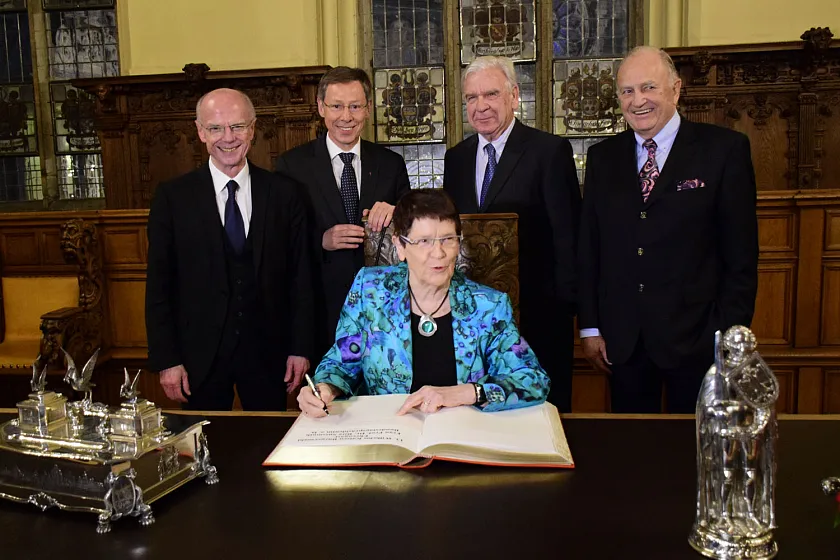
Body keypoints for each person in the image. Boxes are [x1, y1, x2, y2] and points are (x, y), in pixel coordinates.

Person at [578, 46, 758, 413]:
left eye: (649, 88)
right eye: (627, 91)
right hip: (623, 341)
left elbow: (741, 255)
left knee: (692, 454)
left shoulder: (723, 150)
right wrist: (591, 328)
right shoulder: (602, 158)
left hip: (698, 337)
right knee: (632, 455)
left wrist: (727, 334)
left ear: (675, 89)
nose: (637, 100)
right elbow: (590, 248)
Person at [298, 189, 549, 417]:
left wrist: (466, 392)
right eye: (424, 241)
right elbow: (341, 363)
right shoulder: (370, 291)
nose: (439, 253)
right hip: (389, 433)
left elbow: (534, 381)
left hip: (462, 436)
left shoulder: (488, 306)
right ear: (400, 245)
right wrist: (324, 389)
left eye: (448, 239)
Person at [146, 88, 313, 410]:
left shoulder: (285, 194)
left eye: (237, 127)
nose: (228, 138)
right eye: (216, 128)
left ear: (252, 129)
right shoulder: (173, 198)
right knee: (204, 447)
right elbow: (159, 286)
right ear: (200, 131)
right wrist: (167, 359)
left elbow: (301, 278)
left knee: (267, 447)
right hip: (198, 357)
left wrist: (301, 347)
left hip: (269, 354)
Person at [443, 56, 581, 412]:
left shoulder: (549, 151)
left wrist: (567, 311)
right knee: (481, 413)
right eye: (471, 98)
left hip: (539, 315)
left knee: (541, 411)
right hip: (474, 316)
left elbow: (567, 235)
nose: (481, 106)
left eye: (490, 94)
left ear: (514, 96)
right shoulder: (456, 159)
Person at [276, 67, 411, 359]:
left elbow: (416, 233)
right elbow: (278, 239)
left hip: (383, 314)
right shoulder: (292, 166)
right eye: (336, 106)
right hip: (321, 310)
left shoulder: (391, 164)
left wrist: (398, 212)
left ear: (367, 109)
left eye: (355, 106)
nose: (346, 116)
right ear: (321, 108)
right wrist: (320, 239)